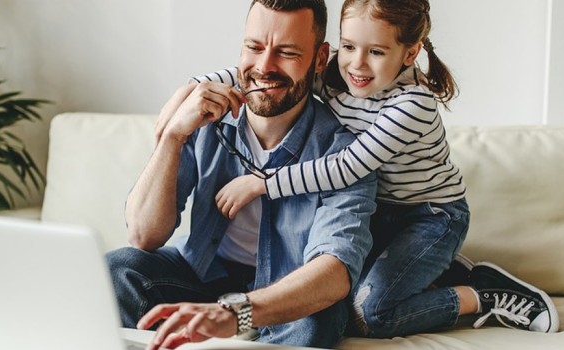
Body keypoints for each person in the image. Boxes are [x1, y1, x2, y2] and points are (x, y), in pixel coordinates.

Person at [188, 0, 559, 337]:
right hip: (379, 213)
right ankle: (437, 269)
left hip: (429, 217)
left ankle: (480, 294)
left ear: (410, 52)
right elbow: (267, 77)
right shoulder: (337, 79)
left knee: (369, 314)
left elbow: (347, 167)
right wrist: (190, 92)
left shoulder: (412, 105)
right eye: (348, 47)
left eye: (376, 52)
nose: (357, 64)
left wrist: (260, 183)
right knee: (324, 294)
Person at [108, 0, 378, 348]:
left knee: (319, 317)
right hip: (204, 276)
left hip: (287, 291)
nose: (264, 67)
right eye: (254, 47)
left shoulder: (347, 153)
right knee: (119, 269)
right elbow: (145, 236)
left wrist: (238, 313)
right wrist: (173, 136)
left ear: (320, 58)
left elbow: (334, 272)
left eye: (287, 52)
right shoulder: (205, 118)